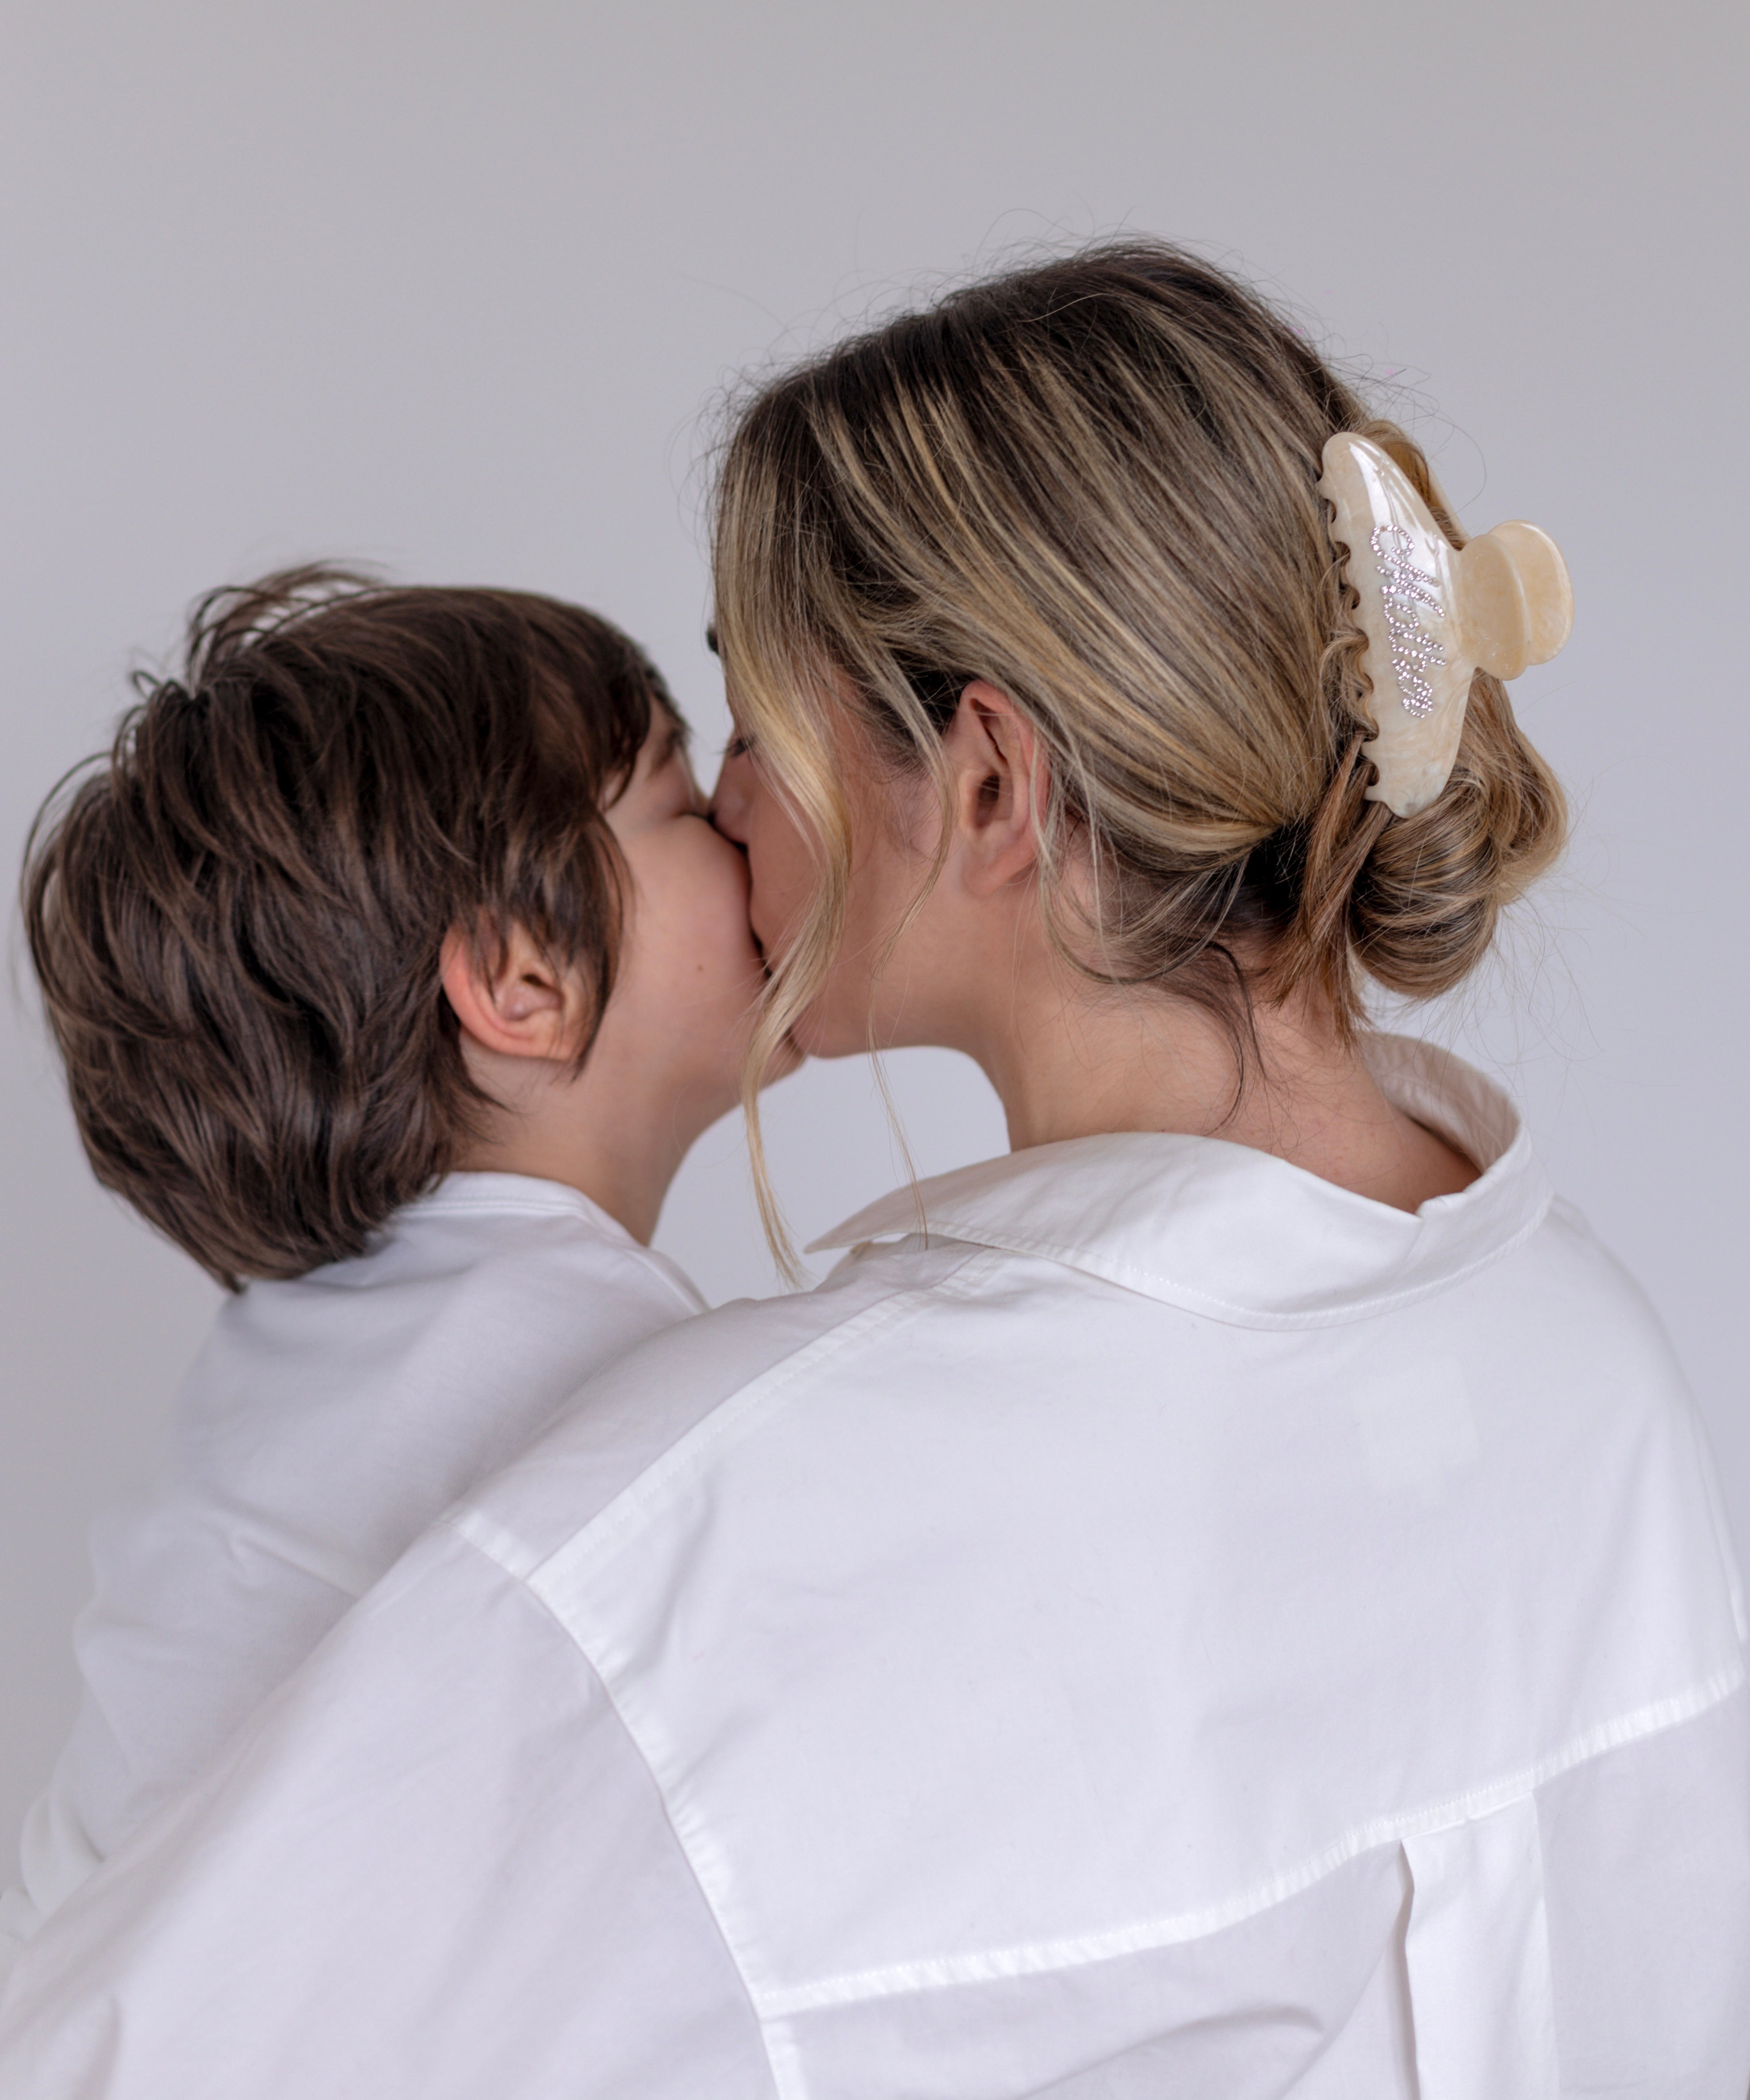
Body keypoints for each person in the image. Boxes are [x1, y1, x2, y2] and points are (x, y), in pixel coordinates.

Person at [3, 243, 1746, 2097]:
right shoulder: (1592, 1355)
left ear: (988, 784)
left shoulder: (727, 1536)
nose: (737, 801)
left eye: (746, 720)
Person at [0, 571, 770, 1962]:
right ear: (524, 979)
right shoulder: (594, 1364)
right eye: (680, 804)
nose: (744, 825)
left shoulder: (291, 1348)